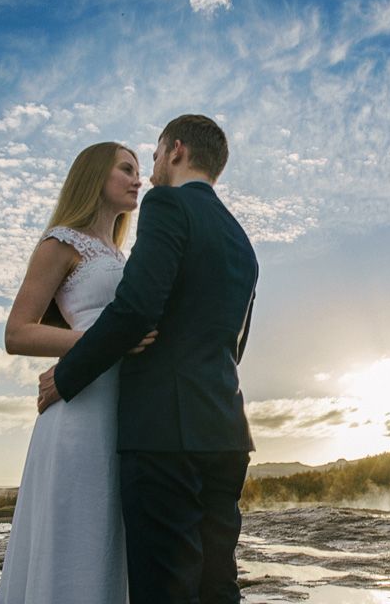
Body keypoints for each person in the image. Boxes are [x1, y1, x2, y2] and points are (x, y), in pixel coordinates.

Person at [37, 114, 259, 604]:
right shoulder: (241, 240)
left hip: (165, 436)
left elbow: (136, 308)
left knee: (165, 588)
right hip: (226, 434)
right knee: (217, 586)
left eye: (154, 154)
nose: (149, 169)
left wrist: (67, 375)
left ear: (176, 150)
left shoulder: (167, 204)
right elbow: (235, 344)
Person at [0, 141, 153, 604]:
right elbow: (17, 333)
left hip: (121, 410)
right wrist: (104, 342)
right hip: (79, 411)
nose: (136, 179)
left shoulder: (121, 256)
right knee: (75, 531)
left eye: (138, 170)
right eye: (125, 169)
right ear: (94, 177)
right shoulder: (61, 242)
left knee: (108, 534)